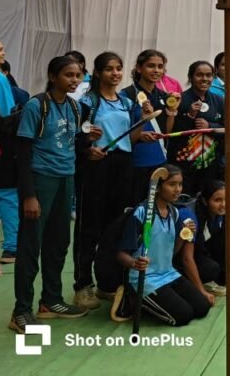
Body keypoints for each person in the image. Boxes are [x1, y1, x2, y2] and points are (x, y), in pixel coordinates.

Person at [10, 56, 90, 333]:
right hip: (40, 180)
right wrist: (29, 195)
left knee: (58, 243)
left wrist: (88, 143)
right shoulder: (37, 105)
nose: (74, 80)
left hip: (65, 179)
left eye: (78, 75)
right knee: (31, 245)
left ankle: (51, 301)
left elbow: (71, 144)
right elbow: (22, 152)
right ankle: (21, 310)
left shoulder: (75, 107)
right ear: (53, 76)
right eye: (68, 75)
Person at [74, 51, 139, 310]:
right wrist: (87, 148)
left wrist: (143, 129)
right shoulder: (87, 102)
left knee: (115, 228)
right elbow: (77, 137)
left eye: (119, 68)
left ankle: (107, 283)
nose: (115, 73)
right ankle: (82, 285)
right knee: (89, 228)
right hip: (97, 166)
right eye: (110, 69)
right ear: (98, 72)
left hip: (123, 166)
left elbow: (129, 136)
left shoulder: (126, 102)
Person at [109, 165, 212, 326]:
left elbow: (173, 253)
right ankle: (132, 299)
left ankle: (157, 301)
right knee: (183, 315)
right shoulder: (142, 213)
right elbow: (121, 254)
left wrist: (183, 236)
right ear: (157, 188)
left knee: (202, 307)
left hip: (168, 273)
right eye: (172, 184)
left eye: (180, 184)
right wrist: (135, 263)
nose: (178, 190)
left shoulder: (174, 213)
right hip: (145, 278)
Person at [177, 181, 230, 300]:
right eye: (217, 200)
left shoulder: (224, 210)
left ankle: (217, 274)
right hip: (195, 255)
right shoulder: (191, 217)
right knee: (212, 269)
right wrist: (201, 290)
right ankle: (203, 281)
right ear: (205, 201)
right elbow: (186, 258)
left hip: (213, 250)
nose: (223, 204)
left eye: (226, 199)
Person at [122, 50, 173, 210]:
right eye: (151, 66)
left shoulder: (164, 96)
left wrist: (172, 113)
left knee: (156, 210)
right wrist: (140, 134)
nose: (156, 70)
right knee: (136, 210)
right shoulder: (126, 95)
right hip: (136, 163)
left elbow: (166, 132)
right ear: (139, 68)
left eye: (160, 66)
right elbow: (122, 133)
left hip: (160, 161)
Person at [168, 61, 225, 196]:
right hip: (184, 163)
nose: (204, 79)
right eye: (199, 75)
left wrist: (209, 126)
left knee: (208, 198)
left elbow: (227, 128)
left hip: (210, 163)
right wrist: (189, 116)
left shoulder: (219, 100)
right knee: (185, 198)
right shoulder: (180, 99)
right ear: (191, 77)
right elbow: (171, 132)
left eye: (208, 75)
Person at [0, 38, 19, 265]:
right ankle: (12, 246)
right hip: (1, 145)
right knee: (6, 194)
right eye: (0, 49)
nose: (3, 53)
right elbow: (6, 114)